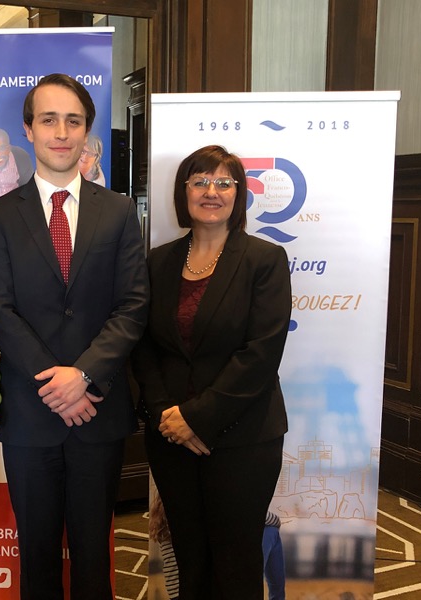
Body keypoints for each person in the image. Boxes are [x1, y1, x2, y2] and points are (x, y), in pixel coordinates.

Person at [0, 73, 149, 599]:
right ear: (28, 130)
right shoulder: (0, 215)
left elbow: (134, 304)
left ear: (87, 132)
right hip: (32, 414)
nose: (61, 131)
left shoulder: (118, 211)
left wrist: (84, 375)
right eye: (48, 119)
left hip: (98, 410)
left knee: (96, 554)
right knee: (38, 555)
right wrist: (55, 384)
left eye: (73, 121)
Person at [132, 144, 292, 599]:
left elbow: (261, 354)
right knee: (189, 555)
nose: (211, 191)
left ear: (239, 195)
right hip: (171, 437)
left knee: (235, 562)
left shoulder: (264, 260)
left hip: (243, 439)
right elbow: (144, 347)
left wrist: (198, 419)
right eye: (200, 181)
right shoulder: (159, 261)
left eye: (224, 183)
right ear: (184, 192)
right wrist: (170, 418)